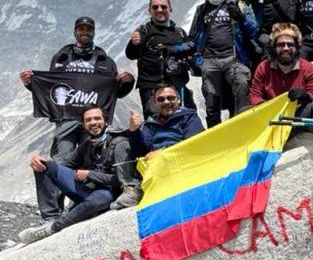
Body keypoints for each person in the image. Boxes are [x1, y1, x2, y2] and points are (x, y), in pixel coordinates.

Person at [19, 16, 135, 222]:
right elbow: (51, 88)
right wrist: (31, 84)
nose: (85, 32)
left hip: (92, 123)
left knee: (89, 162)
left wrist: (127, 82)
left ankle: (81, 204)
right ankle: (53, 213)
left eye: (88, 29)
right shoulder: (62, 57)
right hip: (66, 120)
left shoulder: (104, 60)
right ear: (75, 31)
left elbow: (115, 90)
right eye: (81, 28)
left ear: (93, 31)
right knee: (62, 160)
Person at [19, 107, 135, 244]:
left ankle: (53, 228)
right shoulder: (87, 144)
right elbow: (66, 165)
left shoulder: (119, 144)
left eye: (97, 118)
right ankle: (50, 218)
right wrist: (41, 161)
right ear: (83, 125)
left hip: (108, 192)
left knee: (95, 201)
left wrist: (90, 174)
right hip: (87, 188)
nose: (93, 123)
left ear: (106, 122)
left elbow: (123, 181)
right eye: (88, 120)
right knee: (44, 166)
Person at [189, 0, 260, 127]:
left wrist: (241, 18)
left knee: (242, 85)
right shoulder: (201, 9)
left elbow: (254, 30)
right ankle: (215, 134)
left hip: (234, 57)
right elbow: (193, 35)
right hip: (209, 60)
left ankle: (243, 126)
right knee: (211, 99)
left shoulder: (238, 3)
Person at [125, 0, 196, 115]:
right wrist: (134, 43)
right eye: (155, 7)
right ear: (149, 11)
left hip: (178, 85)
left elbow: (191, 51)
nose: (159, 10)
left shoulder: (179, 32)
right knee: (155, 124)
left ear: (170, 10)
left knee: (186, 119)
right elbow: (131, 54)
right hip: (151, 88)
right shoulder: (144, 30)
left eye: (163, 7)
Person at [248, 23, 313, 114]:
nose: (286, 48)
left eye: (290, 45)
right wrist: (264, 105)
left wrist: (305, 96)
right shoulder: (263, 67)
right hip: (270, 114)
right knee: (245, 111)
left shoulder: (310, 69)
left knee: (311, 108)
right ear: (274, 47)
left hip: (297, 115)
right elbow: (254, 95)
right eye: (281, 45)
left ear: (297, 47)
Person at [127, 85, 205, 157]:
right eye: (161, 99)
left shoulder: (189, 117)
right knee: (122, 145)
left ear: (178, 100)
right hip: (155, 165)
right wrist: (134, 131)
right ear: (155, 103)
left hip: (183, 161)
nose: (166, 102)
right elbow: (140, 153)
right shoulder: (150, 123)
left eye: (171, 98)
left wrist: (163, 152)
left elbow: (193, 144)